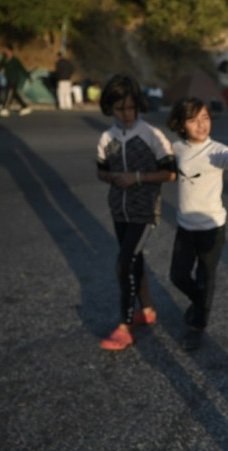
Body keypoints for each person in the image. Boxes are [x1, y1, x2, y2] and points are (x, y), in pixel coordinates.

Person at [166, 97, 228, 350]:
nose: (201, 125)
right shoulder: (176, 148)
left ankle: (197, 325)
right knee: (178, 276)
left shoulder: (215, 151)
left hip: (212, 228)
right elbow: (163, 165)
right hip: (185, 225)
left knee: (205, 277)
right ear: (181, 125)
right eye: (193, 120)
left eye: (205, 118)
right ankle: (200, 302)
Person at [96, 74, 176, 350]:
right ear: (110, 107)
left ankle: (125, 325)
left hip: (144, 210)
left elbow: (171, 173)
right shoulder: (107, 137)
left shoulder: (151, 135)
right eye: (121, 109)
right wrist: (114, 177)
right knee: (134, 259)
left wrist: (137, 177)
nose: (127, 114)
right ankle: (148, 310)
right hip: (118, 209)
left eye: (132, 107)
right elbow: (101, 171)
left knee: (124, 262)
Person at [0, 45, 32, 117]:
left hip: (15, 78)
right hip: (8, 78)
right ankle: (25, 106)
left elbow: (22, 69)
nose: (6, 52)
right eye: (5, 51)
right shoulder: (4, 60)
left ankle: (6, 108)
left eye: (7, 50)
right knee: (14, 94)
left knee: (9, 91)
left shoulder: (15, 60)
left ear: (11, 51)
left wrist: (28, 77)